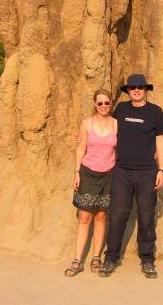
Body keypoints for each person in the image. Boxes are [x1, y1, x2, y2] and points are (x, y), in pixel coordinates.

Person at [99, 74, 163, 279]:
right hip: (122, 171)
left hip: (147, 172)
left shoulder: (155, 112)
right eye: (132, 87)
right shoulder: (121, 110)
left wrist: (161, 170)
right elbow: (105, 127)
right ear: (128, 91)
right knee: (118, 215)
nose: (136, 90)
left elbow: (161, 141)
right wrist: (83, 136)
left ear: (146, 89)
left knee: (146, 217)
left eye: (140, 87)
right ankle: (111, 257)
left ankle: (147, 259)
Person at [64, 89, 117, 277]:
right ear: (95, 104)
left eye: (107, 103)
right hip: (87, 173)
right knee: (84, 217)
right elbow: (80, 149)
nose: (103, 106)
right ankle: (77, 260)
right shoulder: (87, 124)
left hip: (108, 175)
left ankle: (96, 257)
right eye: (100, 103)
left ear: (111, 104)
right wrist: (77, 172)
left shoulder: (116, 125)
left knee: (101, 217)